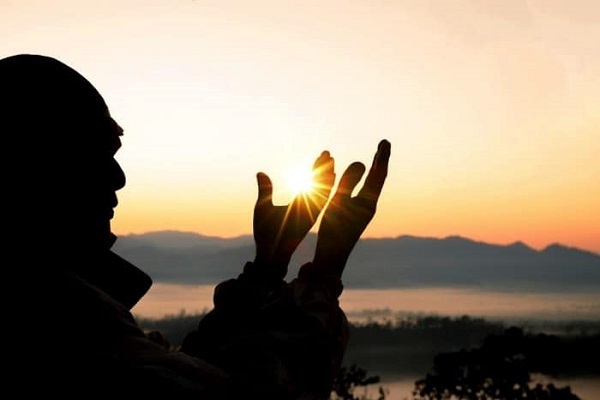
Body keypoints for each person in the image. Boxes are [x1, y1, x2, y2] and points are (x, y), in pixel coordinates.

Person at [2, 53, 390, 399]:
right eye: (90, 153)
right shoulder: (60, 322)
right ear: (28, 162)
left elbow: (190, 373)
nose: (118, 177)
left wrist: (267, 268)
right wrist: (325, 272)